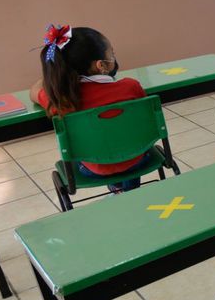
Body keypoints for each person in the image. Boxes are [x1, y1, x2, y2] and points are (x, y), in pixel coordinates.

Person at [29, 24, 148, 193]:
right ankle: (128, 191)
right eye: (111, 54)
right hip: (136, 159)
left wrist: (55, 74)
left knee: (90, 151)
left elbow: (33, 91)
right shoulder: (130, 86)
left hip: (94, 169)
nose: (114, 57)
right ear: (101, 65)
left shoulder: (62, 101)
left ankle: (119, 190)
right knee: (126, 142)